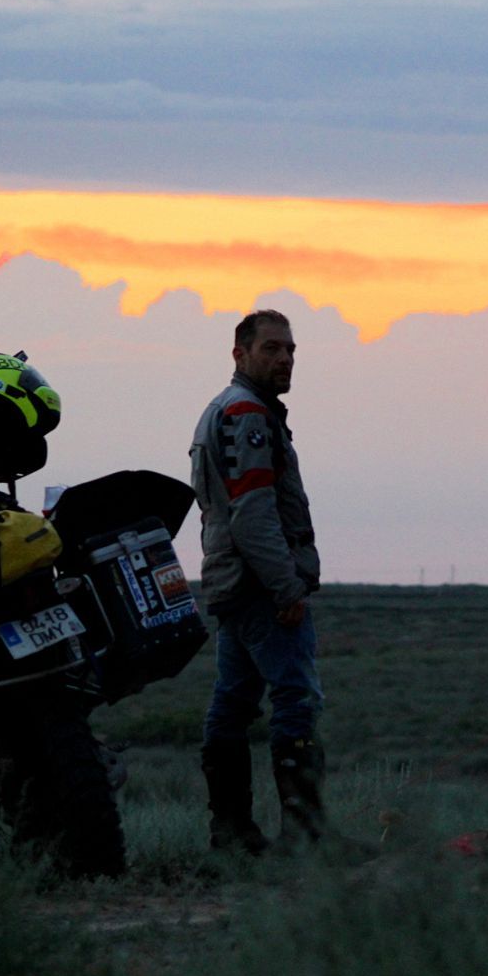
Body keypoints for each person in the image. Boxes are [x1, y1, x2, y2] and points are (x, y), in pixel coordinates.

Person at [189, 309, 327, 855]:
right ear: (240, 354)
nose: (284, 358)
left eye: (290, 349)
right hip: (258, 585)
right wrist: (286, 586)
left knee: (234, 701)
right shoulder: (246, 413)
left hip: (232, 582)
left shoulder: (226, 410)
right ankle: (306, 837)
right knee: (297, 699)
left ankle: (233, 835)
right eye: (271, 348)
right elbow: (252, 511)